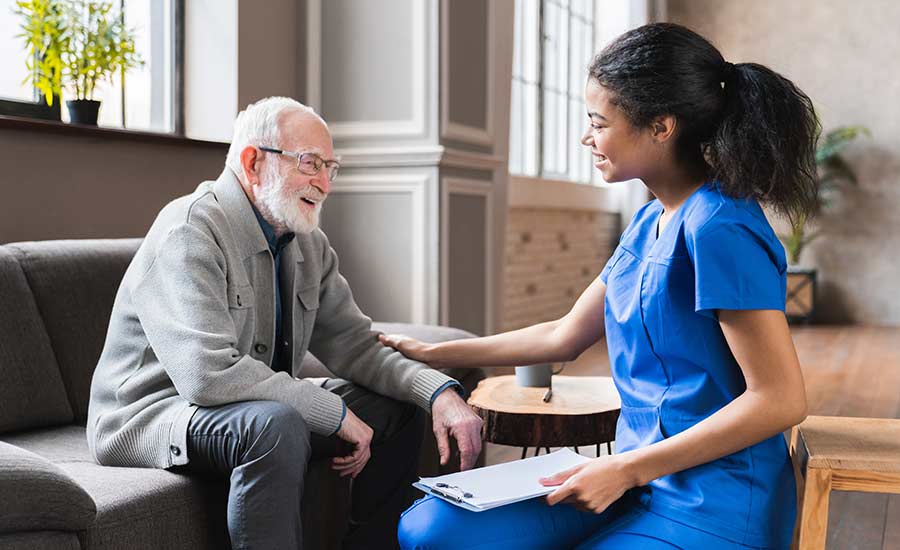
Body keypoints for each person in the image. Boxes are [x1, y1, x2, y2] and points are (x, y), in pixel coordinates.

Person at [385, 23, 816, 549]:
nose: (587, 138)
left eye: (599, 123)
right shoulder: (649, 218)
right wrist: (435, 351)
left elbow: (780, 399)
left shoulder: (720, 227)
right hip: (635, 480)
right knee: (428, 529)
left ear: (661, 127)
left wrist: (627, 470)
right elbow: (563, 335)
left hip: (714, 501)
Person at [86, 96, 483, 550]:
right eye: (309, 163)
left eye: (330, 168)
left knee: (397, 405)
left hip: (247, 409)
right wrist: (333, 413)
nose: (324, 184)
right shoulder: (189, 230)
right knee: (276, 425)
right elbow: (206, 376)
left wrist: (436, 392)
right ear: (253, 163)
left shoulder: (307, 243)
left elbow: (357, 346)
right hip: (153, 415)